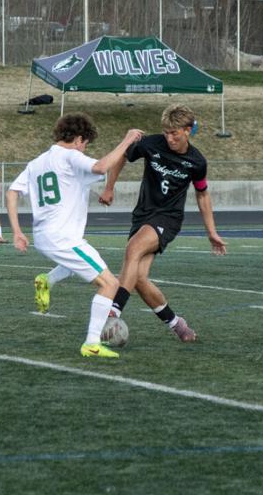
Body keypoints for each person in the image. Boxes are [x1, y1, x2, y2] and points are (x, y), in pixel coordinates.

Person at [7, 115, 144, 358]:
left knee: (74, 265)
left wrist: (17, 232)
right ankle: (91, 343)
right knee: (110, 284)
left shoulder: (36, 162)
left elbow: (12, 193)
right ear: (79, 139)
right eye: (86, 143)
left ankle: (47, 280)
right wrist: (127, 140)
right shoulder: (70, 156)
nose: (85, 148)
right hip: (63, 238)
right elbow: (101, 167)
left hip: (44, 236)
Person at [97, 104, 226, 342]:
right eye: (166, 132)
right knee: (138, 278)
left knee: (133, 249)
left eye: (174, 133)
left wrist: (212, 232)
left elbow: (202, 194)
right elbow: (123, 156)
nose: (169, 138)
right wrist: (109, 187)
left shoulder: (197, 162)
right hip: (142, 215)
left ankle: (114, 311)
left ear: (188, 130)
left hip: (168, 218)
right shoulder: (152, 144)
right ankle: (178, 324)